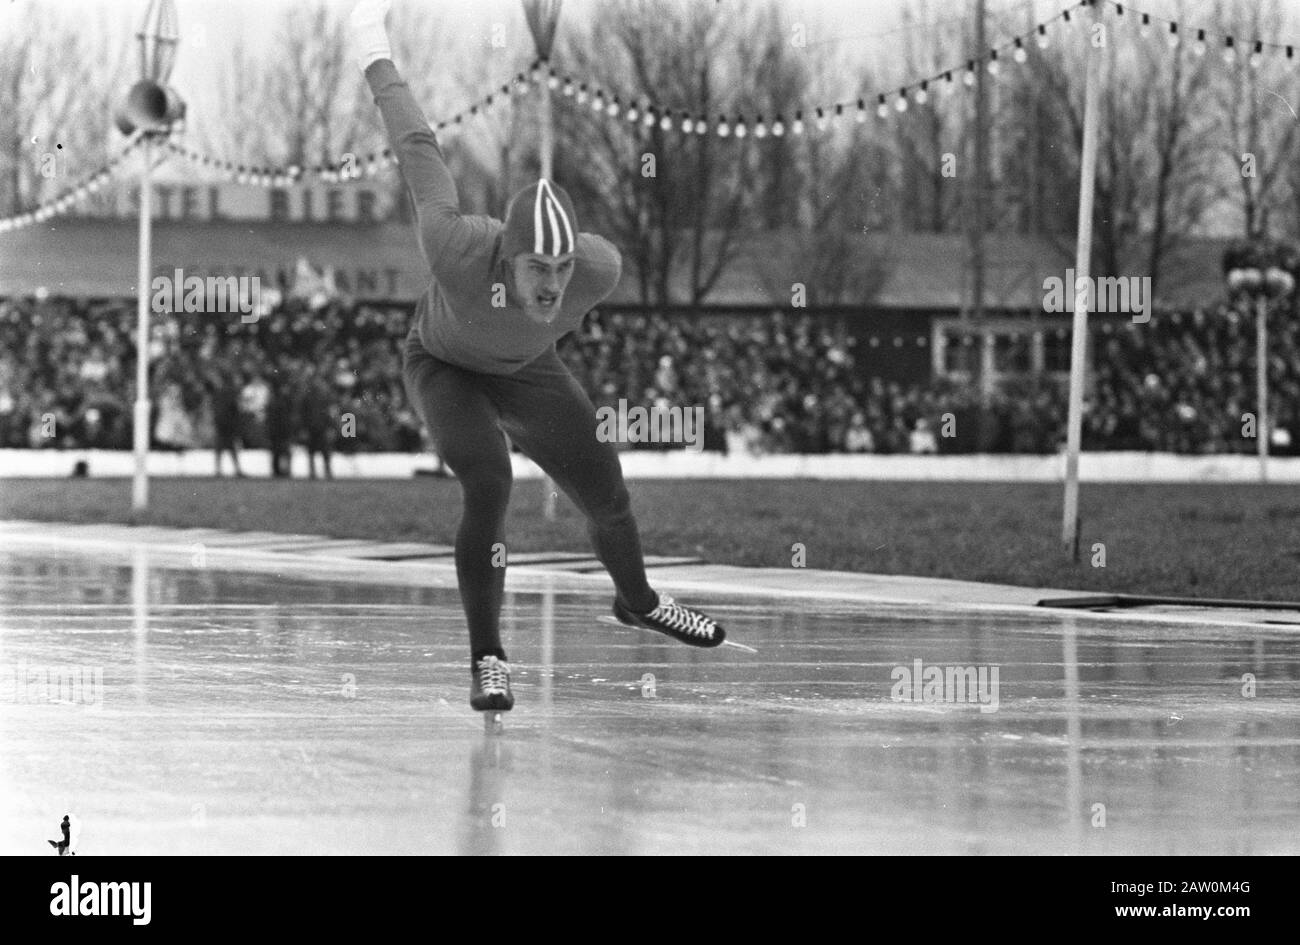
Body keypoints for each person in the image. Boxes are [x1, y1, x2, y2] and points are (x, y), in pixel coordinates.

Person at [349, 0, 726, 718]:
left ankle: (639, 600)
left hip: (527, 370)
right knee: (488, 481)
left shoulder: (598, 269)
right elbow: (417, 144)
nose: (552, 283)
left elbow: (565, 284)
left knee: (607, 490)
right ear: (505, 258)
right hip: (444, 364)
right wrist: (373, 49)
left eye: (561, 266)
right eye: (536, 269)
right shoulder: (454, 244)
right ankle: (488, 657)